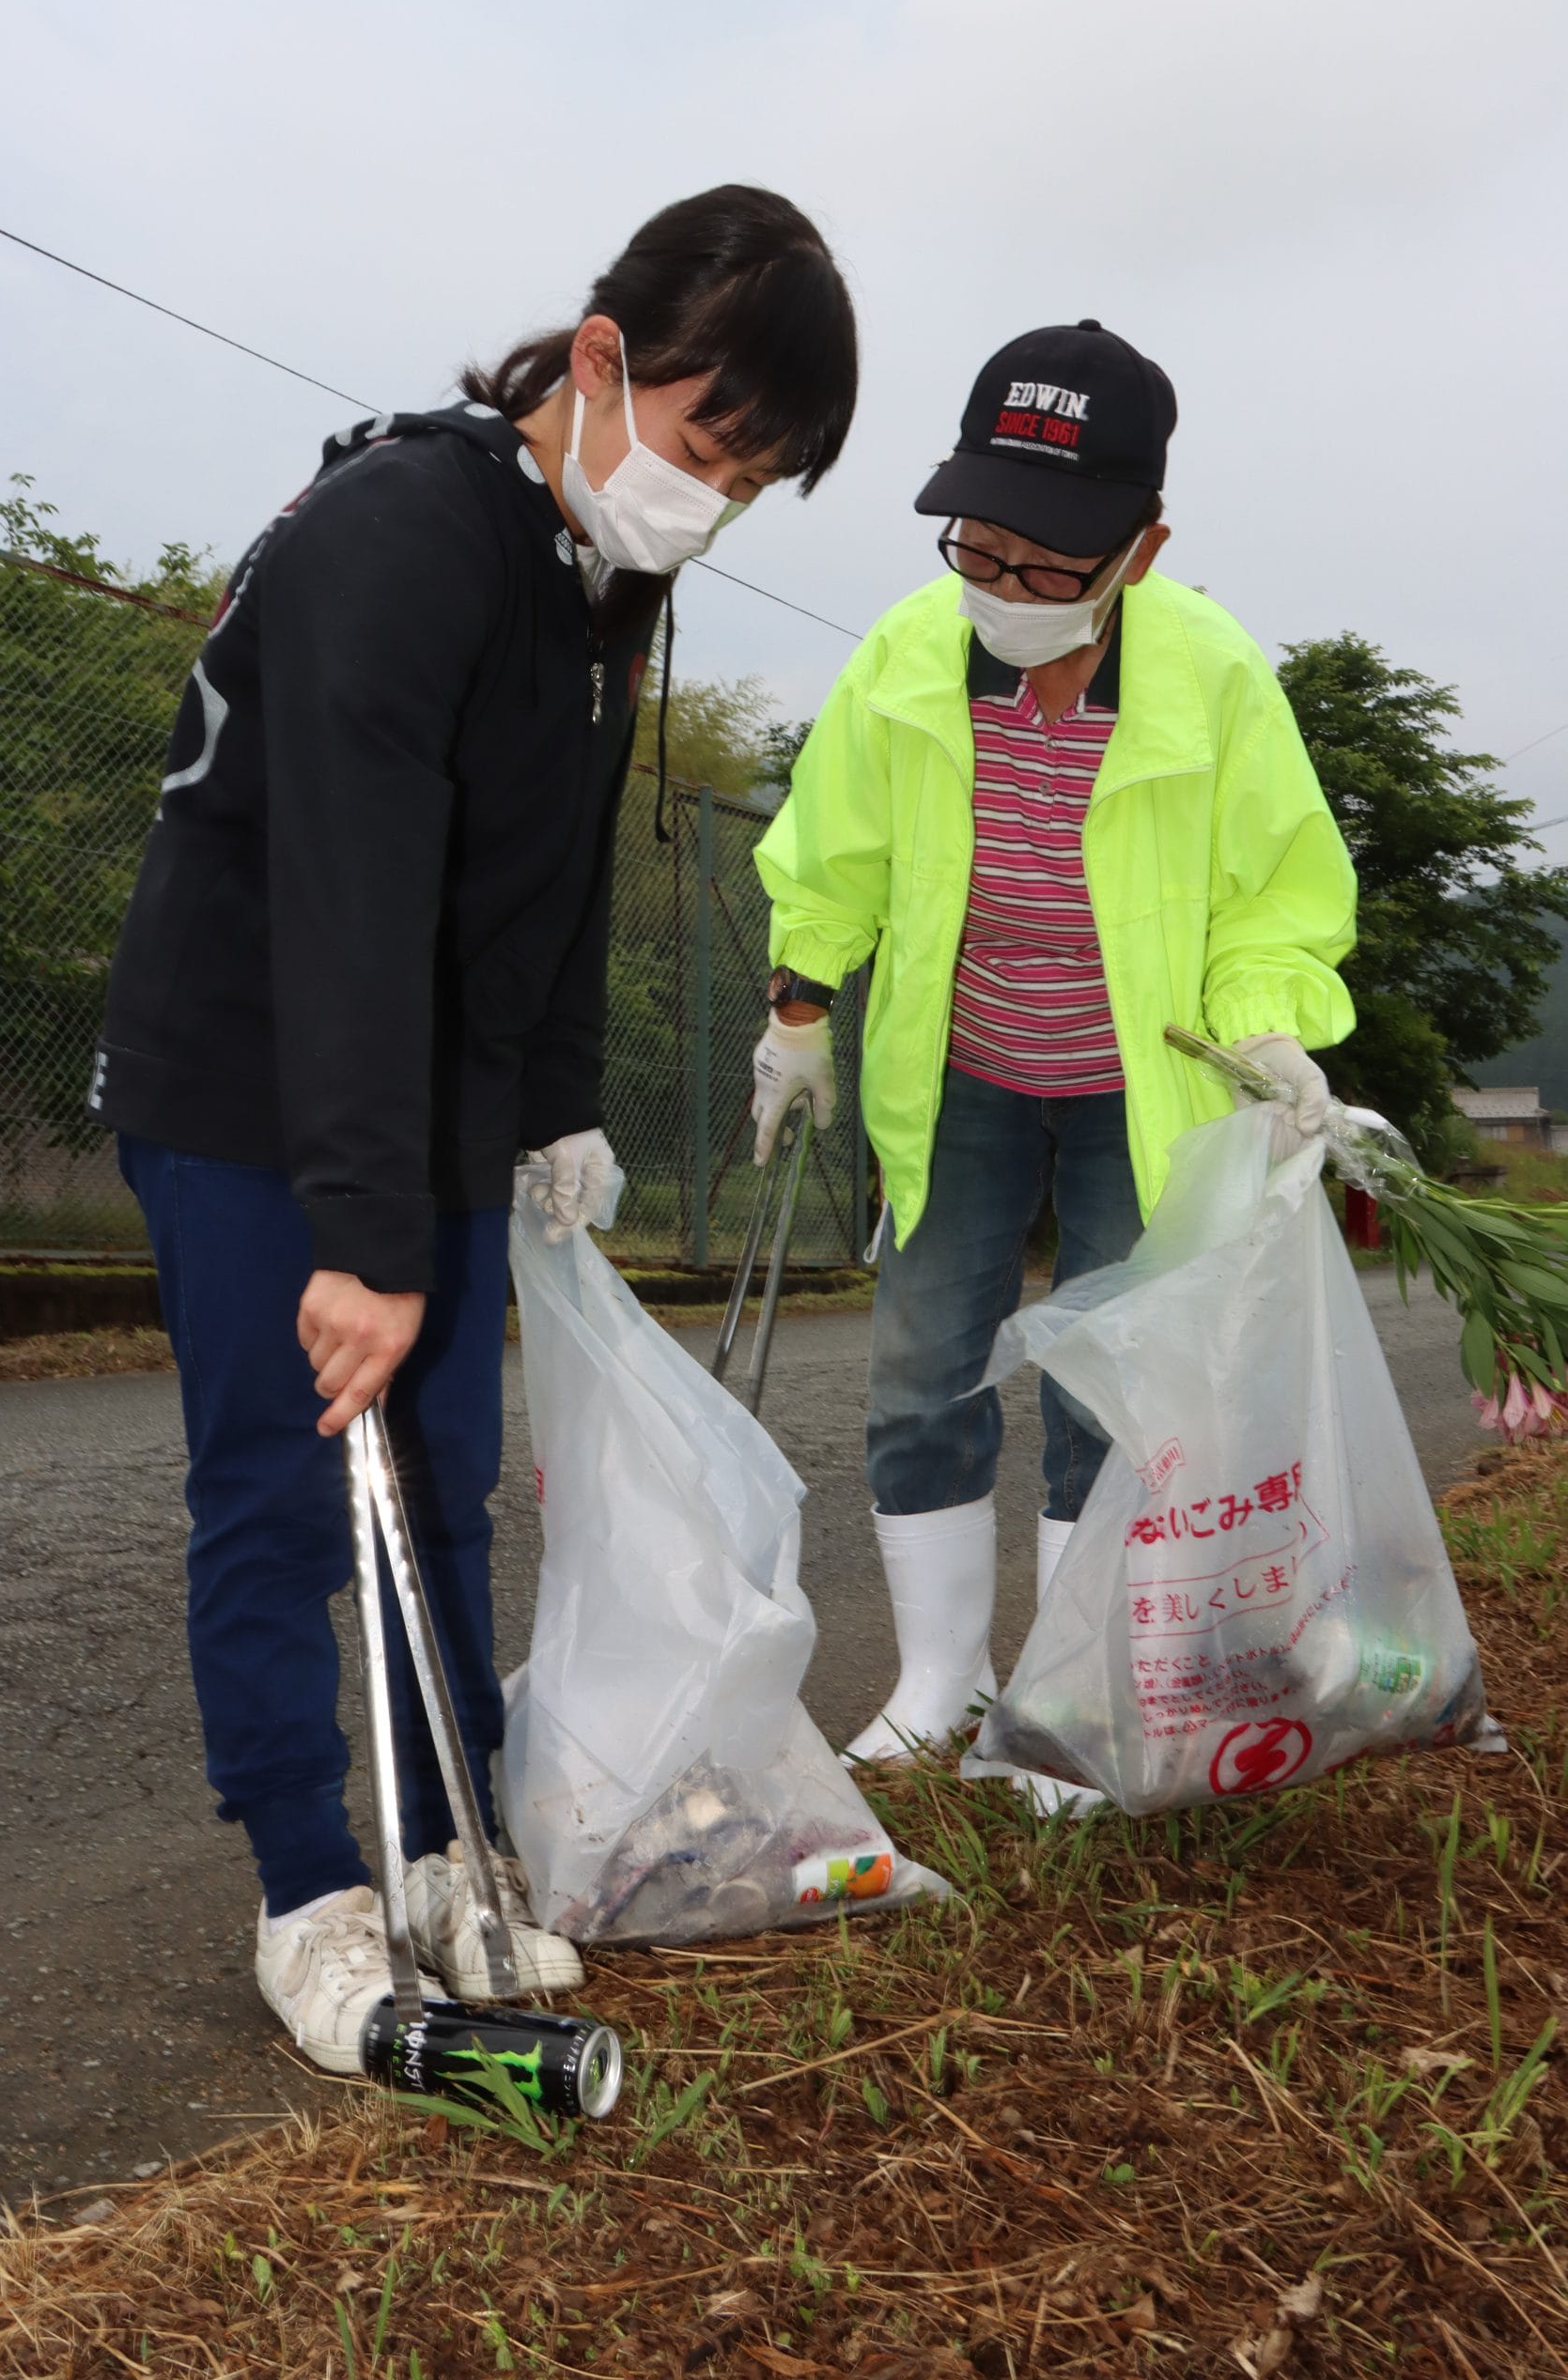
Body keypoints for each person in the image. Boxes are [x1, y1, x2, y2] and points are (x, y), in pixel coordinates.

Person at [88, 186, 859, 2066]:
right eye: (704, 444)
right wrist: (357, 1235)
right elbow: (346, 895)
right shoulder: (404, 533)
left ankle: (445, 1845)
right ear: (598, 360)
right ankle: (308, 1889)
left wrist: (554, 1100)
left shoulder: (591, 569)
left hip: (407, 1086)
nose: (711, 499)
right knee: (279, 1493)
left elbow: (556, 868)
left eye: (754, 481)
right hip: (244, 1070)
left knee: (436, 1490)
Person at [751, 318, 1355, 1805]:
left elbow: (1275, 895)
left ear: (1137, 550)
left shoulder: (1211, 679)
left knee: (1108, 1382)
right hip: (959, 1071)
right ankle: (939, 1682)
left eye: (1044, 562)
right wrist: (797, 1007)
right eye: (979, 545)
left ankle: (1071, 1687)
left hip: (1138, 1089)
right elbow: (834, 852)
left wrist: (1269, 1019)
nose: (1000, 587)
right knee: (917, 1369)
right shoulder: (907, 656)